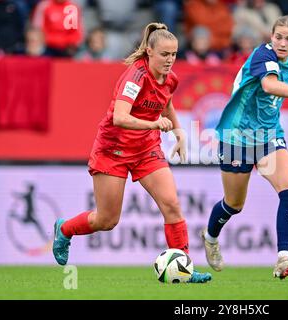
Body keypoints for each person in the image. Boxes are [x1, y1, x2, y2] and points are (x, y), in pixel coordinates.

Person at [52, 22, 212, 283]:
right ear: (149, 51)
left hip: (146, 148)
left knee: (172, 204)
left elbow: (165, 101)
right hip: (113, 149)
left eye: (174, 54)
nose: (170, 60)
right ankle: (65, 229)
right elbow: (120, 117)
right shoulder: (135, 77)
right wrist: (154, 123)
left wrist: (179, 132)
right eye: (164, 54)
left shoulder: (170, 78)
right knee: (106, 220)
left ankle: (185, 268)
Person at [200, 15, 288, 279]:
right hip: (237, 137)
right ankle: (211, 237)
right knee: (234, 204)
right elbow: (269, 84)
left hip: (269, 136)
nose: (282, 43)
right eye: (278, 37)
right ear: (271, 37)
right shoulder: (263, 56)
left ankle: (284, 258)